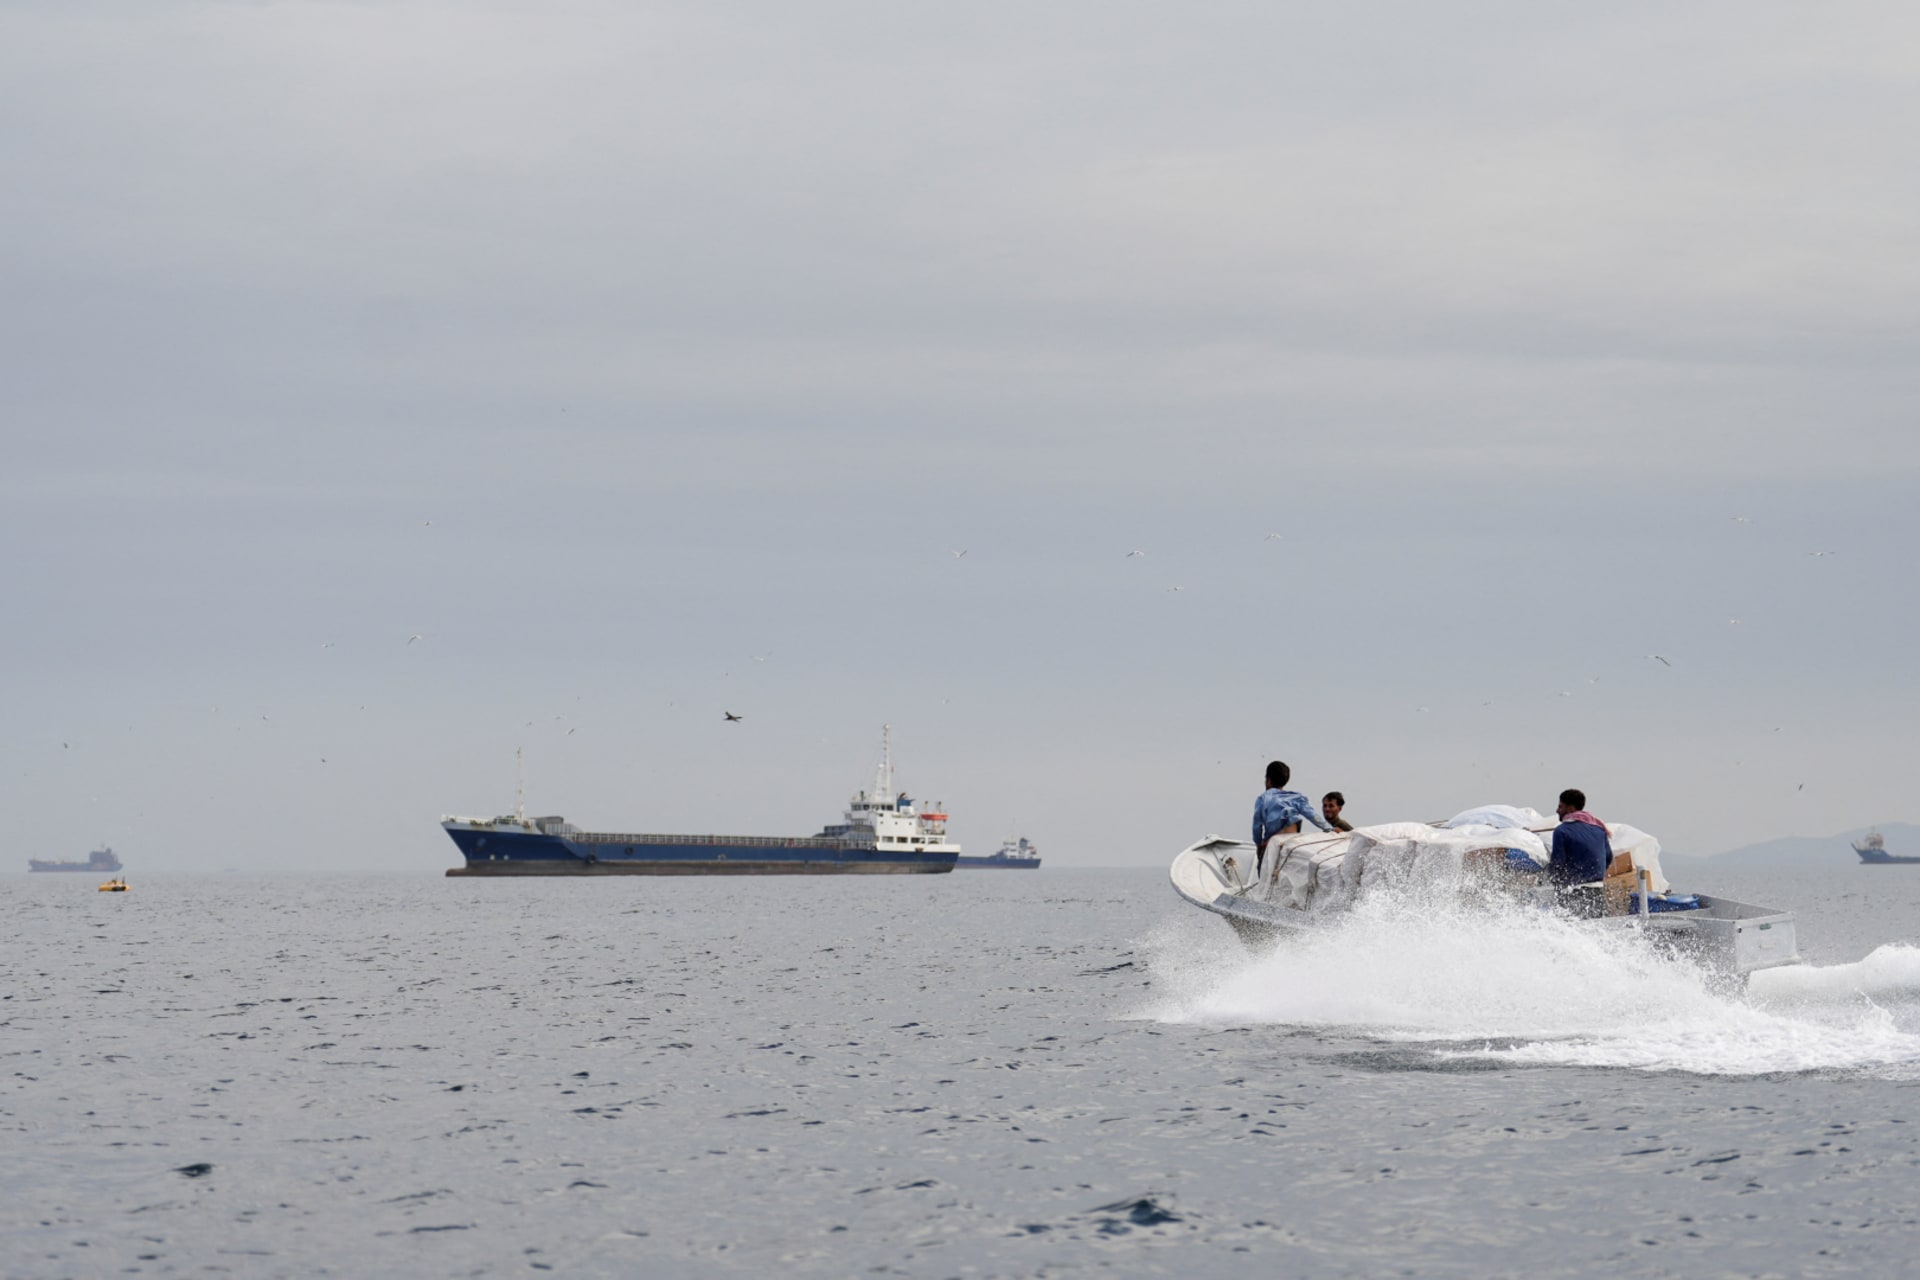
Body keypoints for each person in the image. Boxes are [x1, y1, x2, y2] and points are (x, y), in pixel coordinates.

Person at [1253, 760, 1332, 872]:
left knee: (1261, 869)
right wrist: (1329, 828)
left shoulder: (1263, 798)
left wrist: (1258, 845)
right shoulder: (1295, 797)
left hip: (1274, 841)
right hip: (1293, 838)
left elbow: (1257, 825)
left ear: (1268, 780)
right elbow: (1312, 815)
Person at [1549, 788, 1612, 914]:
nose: (1557, 811)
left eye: (1560, 807)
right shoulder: (1599, 830)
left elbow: (1557, 864)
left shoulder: (1561, 831)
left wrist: (1553, 883)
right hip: (1598, 893)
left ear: (1570, 809)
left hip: (1574, 895)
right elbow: (1608, 858)